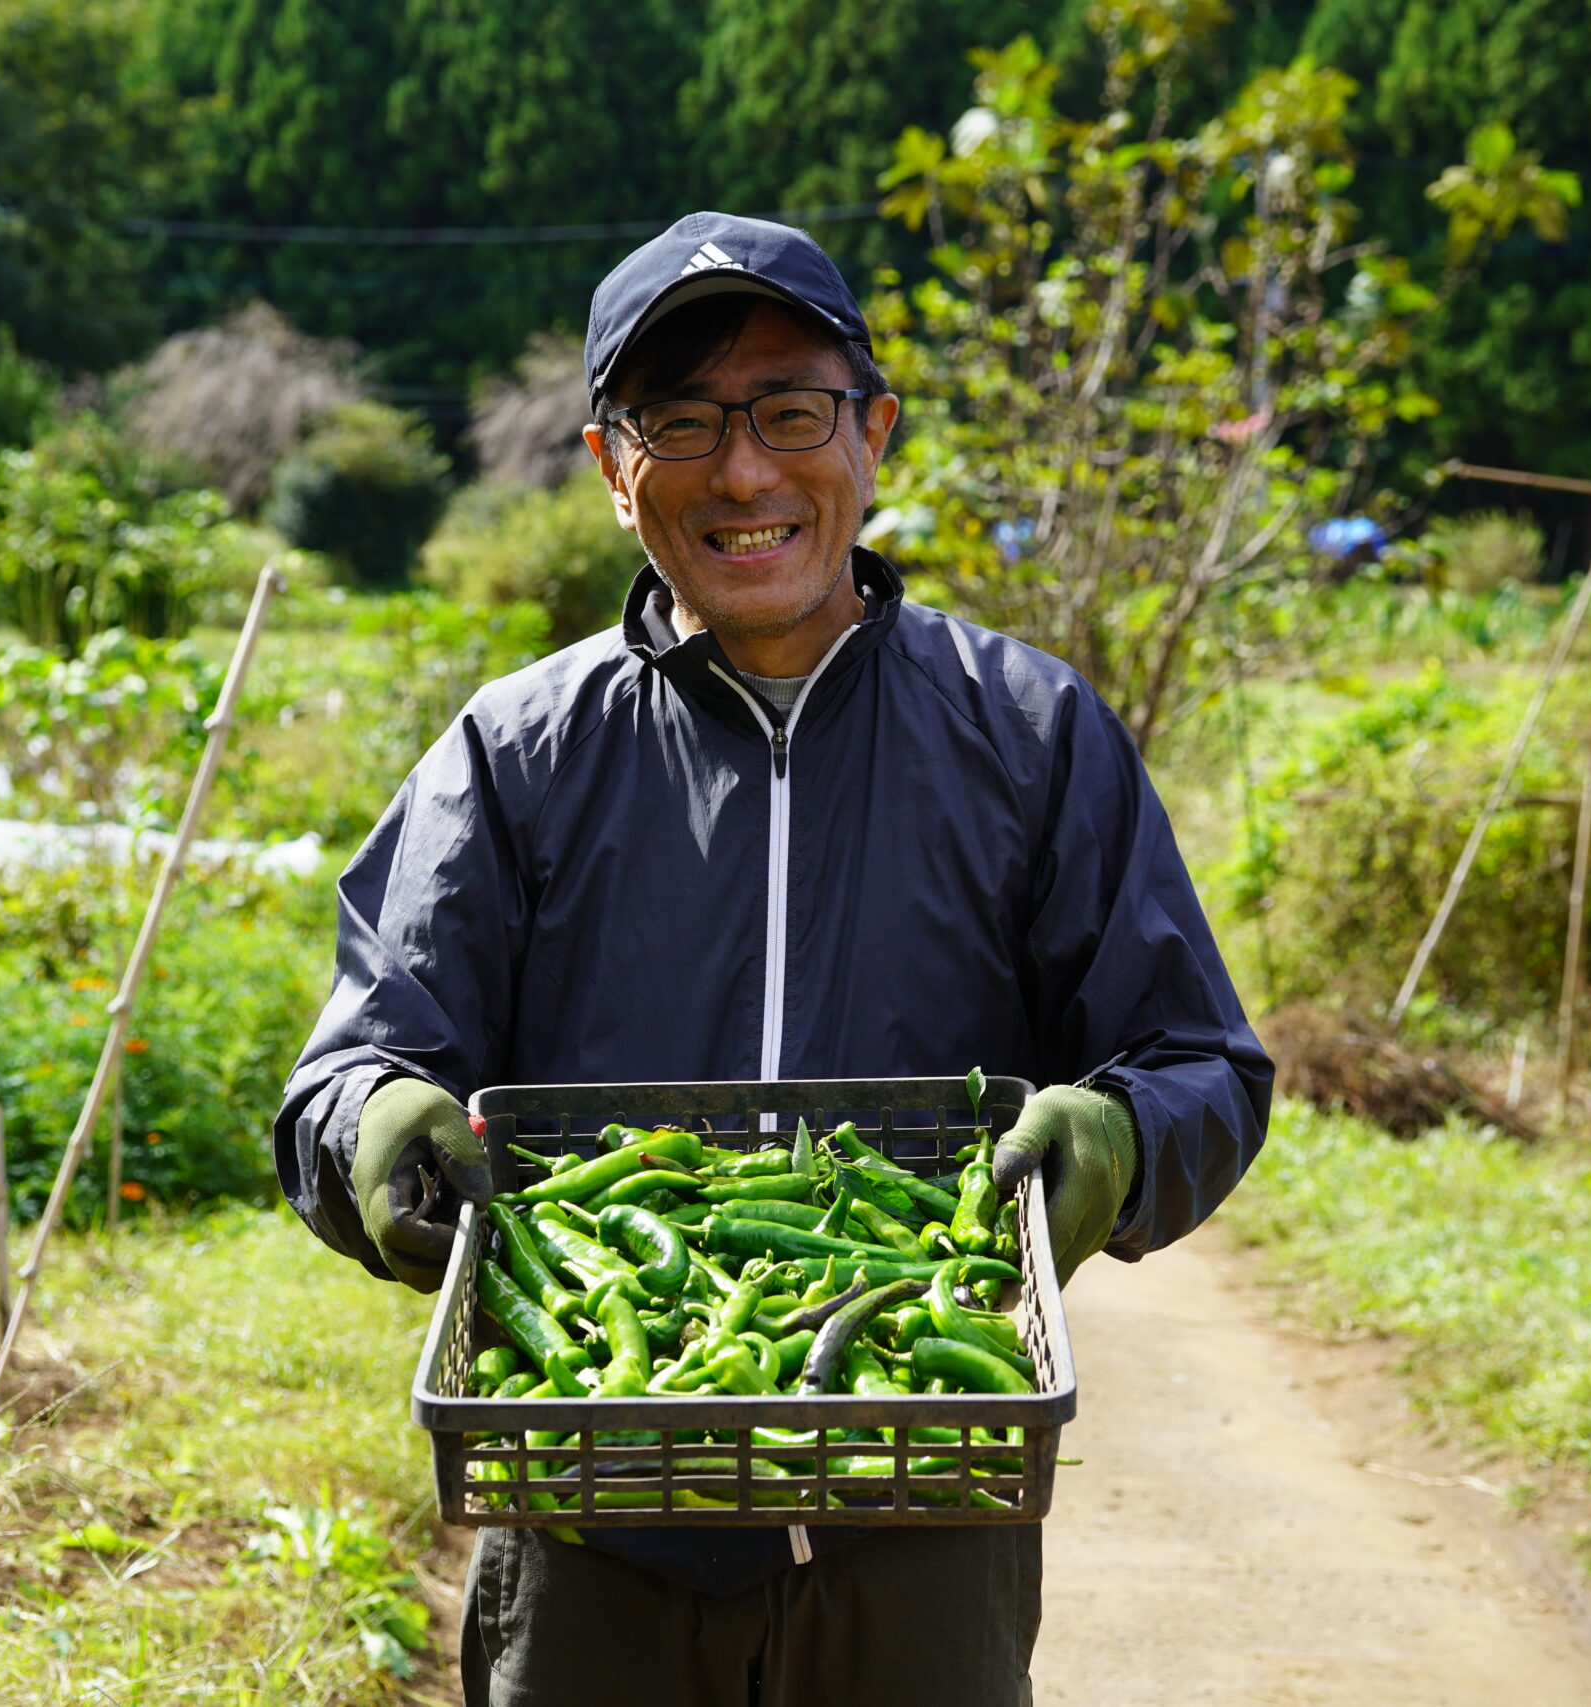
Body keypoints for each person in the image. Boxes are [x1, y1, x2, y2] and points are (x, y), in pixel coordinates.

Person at [276, 211, 1274, 1707]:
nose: (743, 471)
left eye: (790, 412)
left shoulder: (1030, 736)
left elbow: (1203, 1064)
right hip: (595, 1519)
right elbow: (353, 1067)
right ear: (618, 473)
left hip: (925, 1516)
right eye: (680, 422)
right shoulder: (516, 756)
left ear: (873, 433)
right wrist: (369, 1128)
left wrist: (1126, 1138)